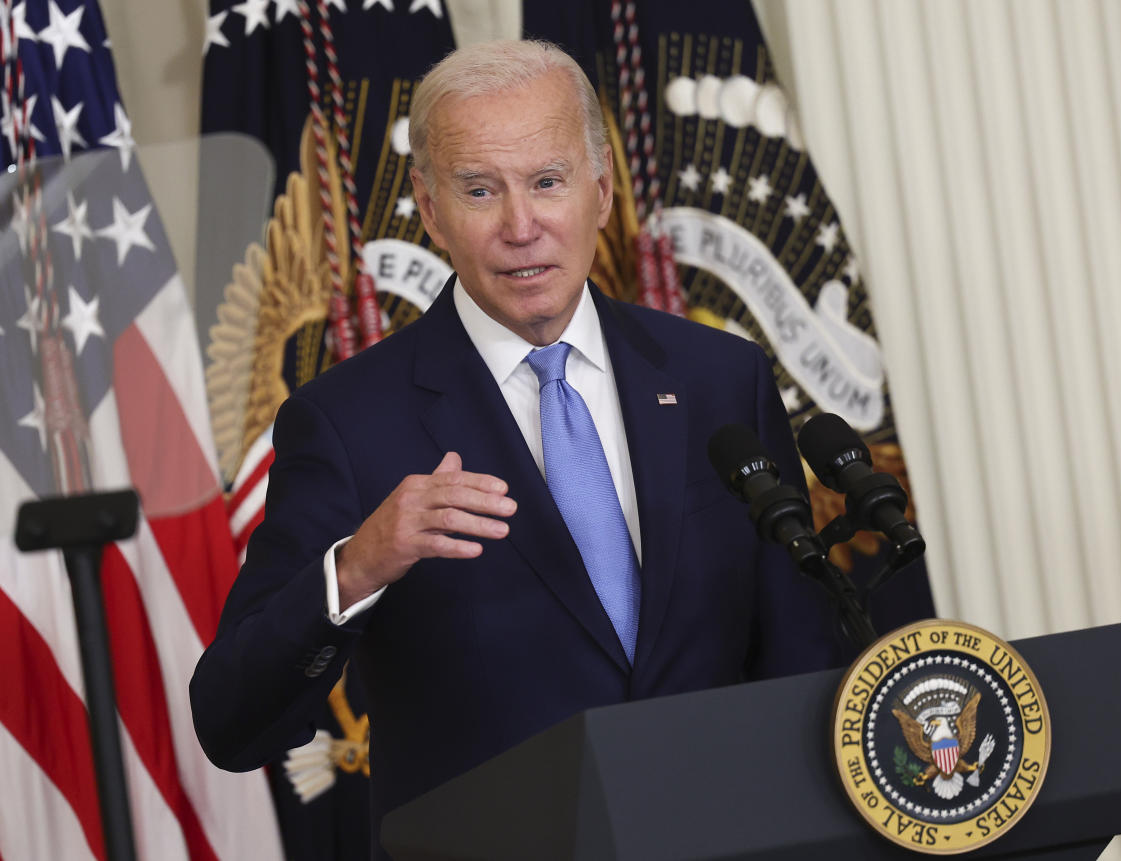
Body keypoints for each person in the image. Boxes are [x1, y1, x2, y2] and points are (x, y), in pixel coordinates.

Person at [190, 39, 840, 858]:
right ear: (428, 209)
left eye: (546, 181)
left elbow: (801, 660)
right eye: (478, 190)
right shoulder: (348, 422)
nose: (521, 226)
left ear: (600, 191)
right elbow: (229, 720)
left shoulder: (720, 379)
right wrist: (356, 567)